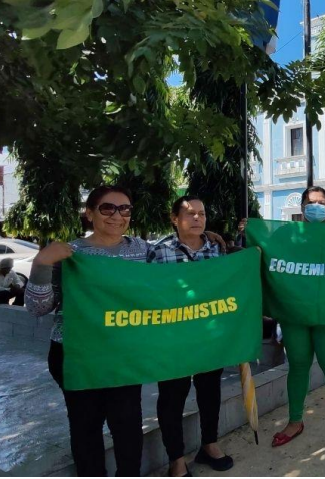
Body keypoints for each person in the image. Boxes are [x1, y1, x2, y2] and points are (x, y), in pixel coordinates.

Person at [24, 186, 227, 477]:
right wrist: (41, 263)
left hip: (124, 357)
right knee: (86, 431)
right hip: (78, 355)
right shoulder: (70, 253)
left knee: (128, 429)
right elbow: (37, 308)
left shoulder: (143, 251)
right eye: (108, 208)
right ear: (90, 213)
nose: (117, 216)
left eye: (125, 209)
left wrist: (208, 237)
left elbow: (173, 285)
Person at [147, 196, 233, 477]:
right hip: (172, 341)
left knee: (210, 392)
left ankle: (209, 445)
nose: (197, 218)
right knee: (172, 398)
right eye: (190, 214)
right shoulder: (158, 253)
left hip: (208, 338)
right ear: (174, 219)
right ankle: (177, 460)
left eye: (202, 213)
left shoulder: (217, 249)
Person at [271, 186, 325, 453]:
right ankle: (295, 422)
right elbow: (265, 254)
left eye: (321, 202)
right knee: (297, 365)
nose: (315, 206)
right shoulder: (287, 234)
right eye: (310, 202)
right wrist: (247, 231)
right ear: (302, 207)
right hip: (296, 312)